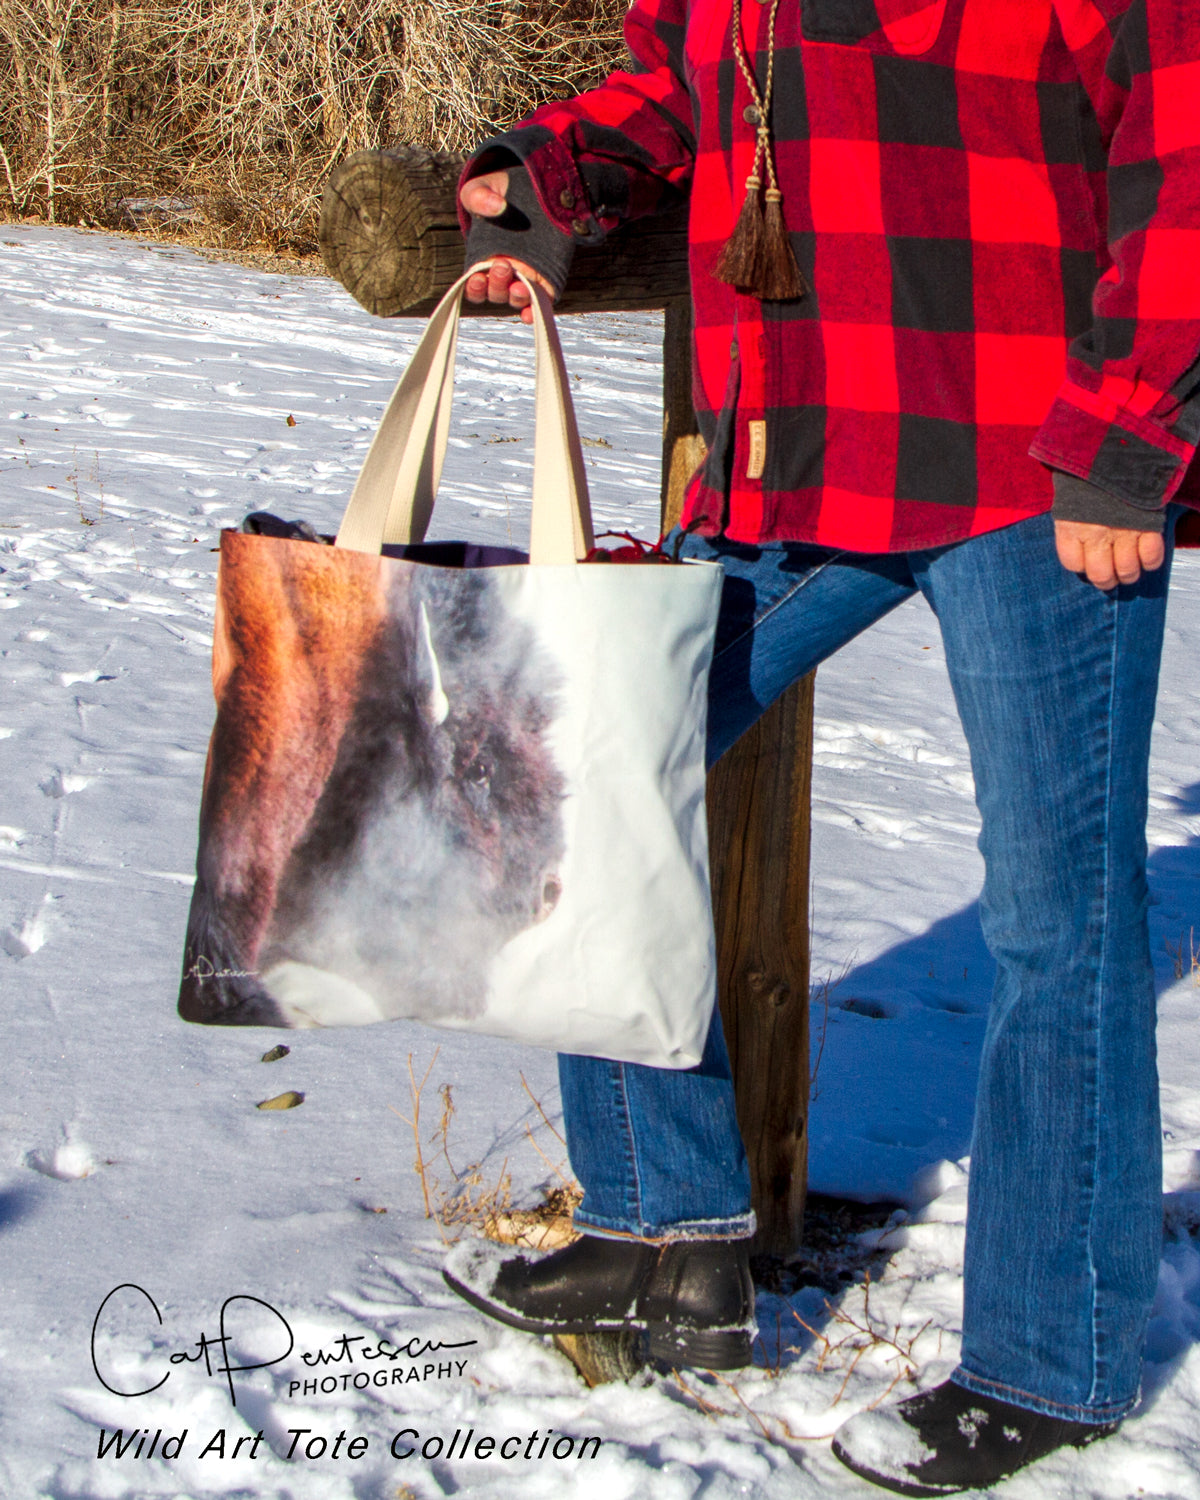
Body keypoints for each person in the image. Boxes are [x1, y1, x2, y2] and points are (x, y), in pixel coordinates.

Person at [440, 2, 1200, 1491]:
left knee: (1060, 916)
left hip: (1027, 468)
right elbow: (678, 73)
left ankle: (1059, 1360)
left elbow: (1182, 154)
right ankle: (669, 1229)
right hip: (788, 445)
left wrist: (1128, 435)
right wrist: (545, 171)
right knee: (585, 763)